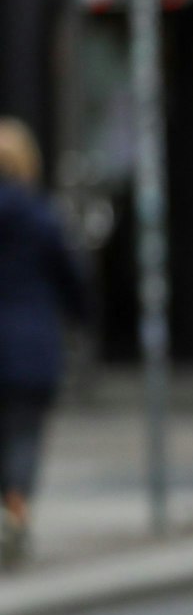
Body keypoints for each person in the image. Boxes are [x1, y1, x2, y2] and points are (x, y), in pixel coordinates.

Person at [0, 118, 87, 568]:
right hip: (31, 345)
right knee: (24, 434)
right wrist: (81, 316)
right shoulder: (41, 216)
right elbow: (71, 277)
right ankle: (15, 510)